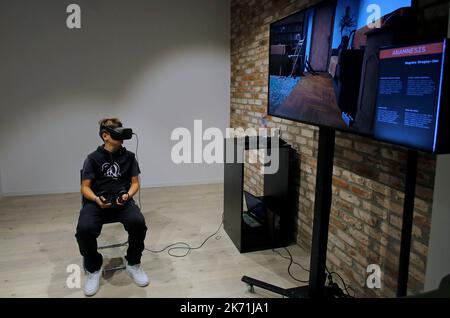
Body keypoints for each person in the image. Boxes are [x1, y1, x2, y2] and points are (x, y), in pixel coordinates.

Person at [75, 118, 149, 296]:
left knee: (138, 223)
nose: (122, 136)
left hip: (122, 201)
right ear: (105, 136)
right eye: (117, 132)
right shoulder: (92, 159)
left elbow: (135, 183)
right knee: (84, 230)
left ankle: (133, 263)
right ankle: (93, 268)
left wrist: (128, 195)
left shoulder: (129, 157)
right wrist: (95, 198)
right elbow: (84, 187)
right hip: (96, 202)